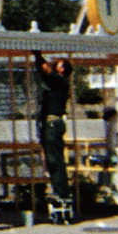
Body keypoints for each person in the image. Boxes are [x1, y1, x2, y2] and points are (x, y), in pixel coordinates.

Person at [33, 50, 72, 201]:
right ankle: (58, 189)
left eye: (59, 64)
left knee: (55, 159)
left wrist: (37, 53)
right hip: (49, 124)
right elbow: (43, 70)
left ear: (63, 70)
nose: (56, 64)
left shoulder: (61, 81)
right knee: (51, 159)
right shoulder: (55, 83)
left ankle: (62, 192)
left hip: (53, 124)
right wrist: (37, 58)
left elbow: (46, 69)